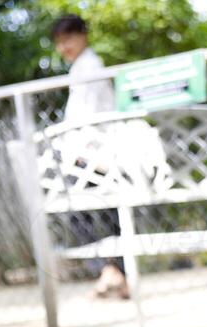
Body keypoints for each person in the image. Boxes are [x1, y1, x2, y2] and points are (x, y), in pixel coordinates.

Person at [51, 14, 129, 299]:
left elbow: (91, 116)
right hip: (87, 152)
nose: (64, 47)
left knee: (87, 214)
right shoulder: (81, 68)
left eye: (68, 39)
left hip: (92, 154)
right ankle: (112, 273)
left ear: (83, 35)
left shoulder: (90, 67)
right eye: (59, 42)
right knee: (96, 216)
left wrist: (82, 153)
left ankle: (111, 272)